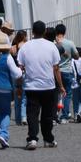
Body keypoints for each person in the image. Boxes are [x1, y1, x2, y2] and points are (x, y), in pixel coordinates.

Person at [17, 19, 64, 149]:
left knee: (32, 114)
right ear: (44, 31)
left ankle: (32, 139)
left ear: (32, 32)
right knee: (47, 115)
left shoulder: (25, 47)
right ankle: (48, 139)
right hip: (48, 85)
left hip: (31, 85)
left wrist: (19, 86)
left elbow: (20, 68)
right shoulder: (51, 46)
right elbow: (56, 68)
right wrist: (60, 86)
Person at [55, 23, 78, 122]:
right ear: (65, 32)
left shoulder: (53, 44)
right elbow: (76, 56)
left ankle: (54, 115)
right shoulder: (70, 43)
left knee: (55, 94)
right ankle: (64, 116)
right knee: (67, 94)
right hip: (67, 71)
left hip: (55, 71)